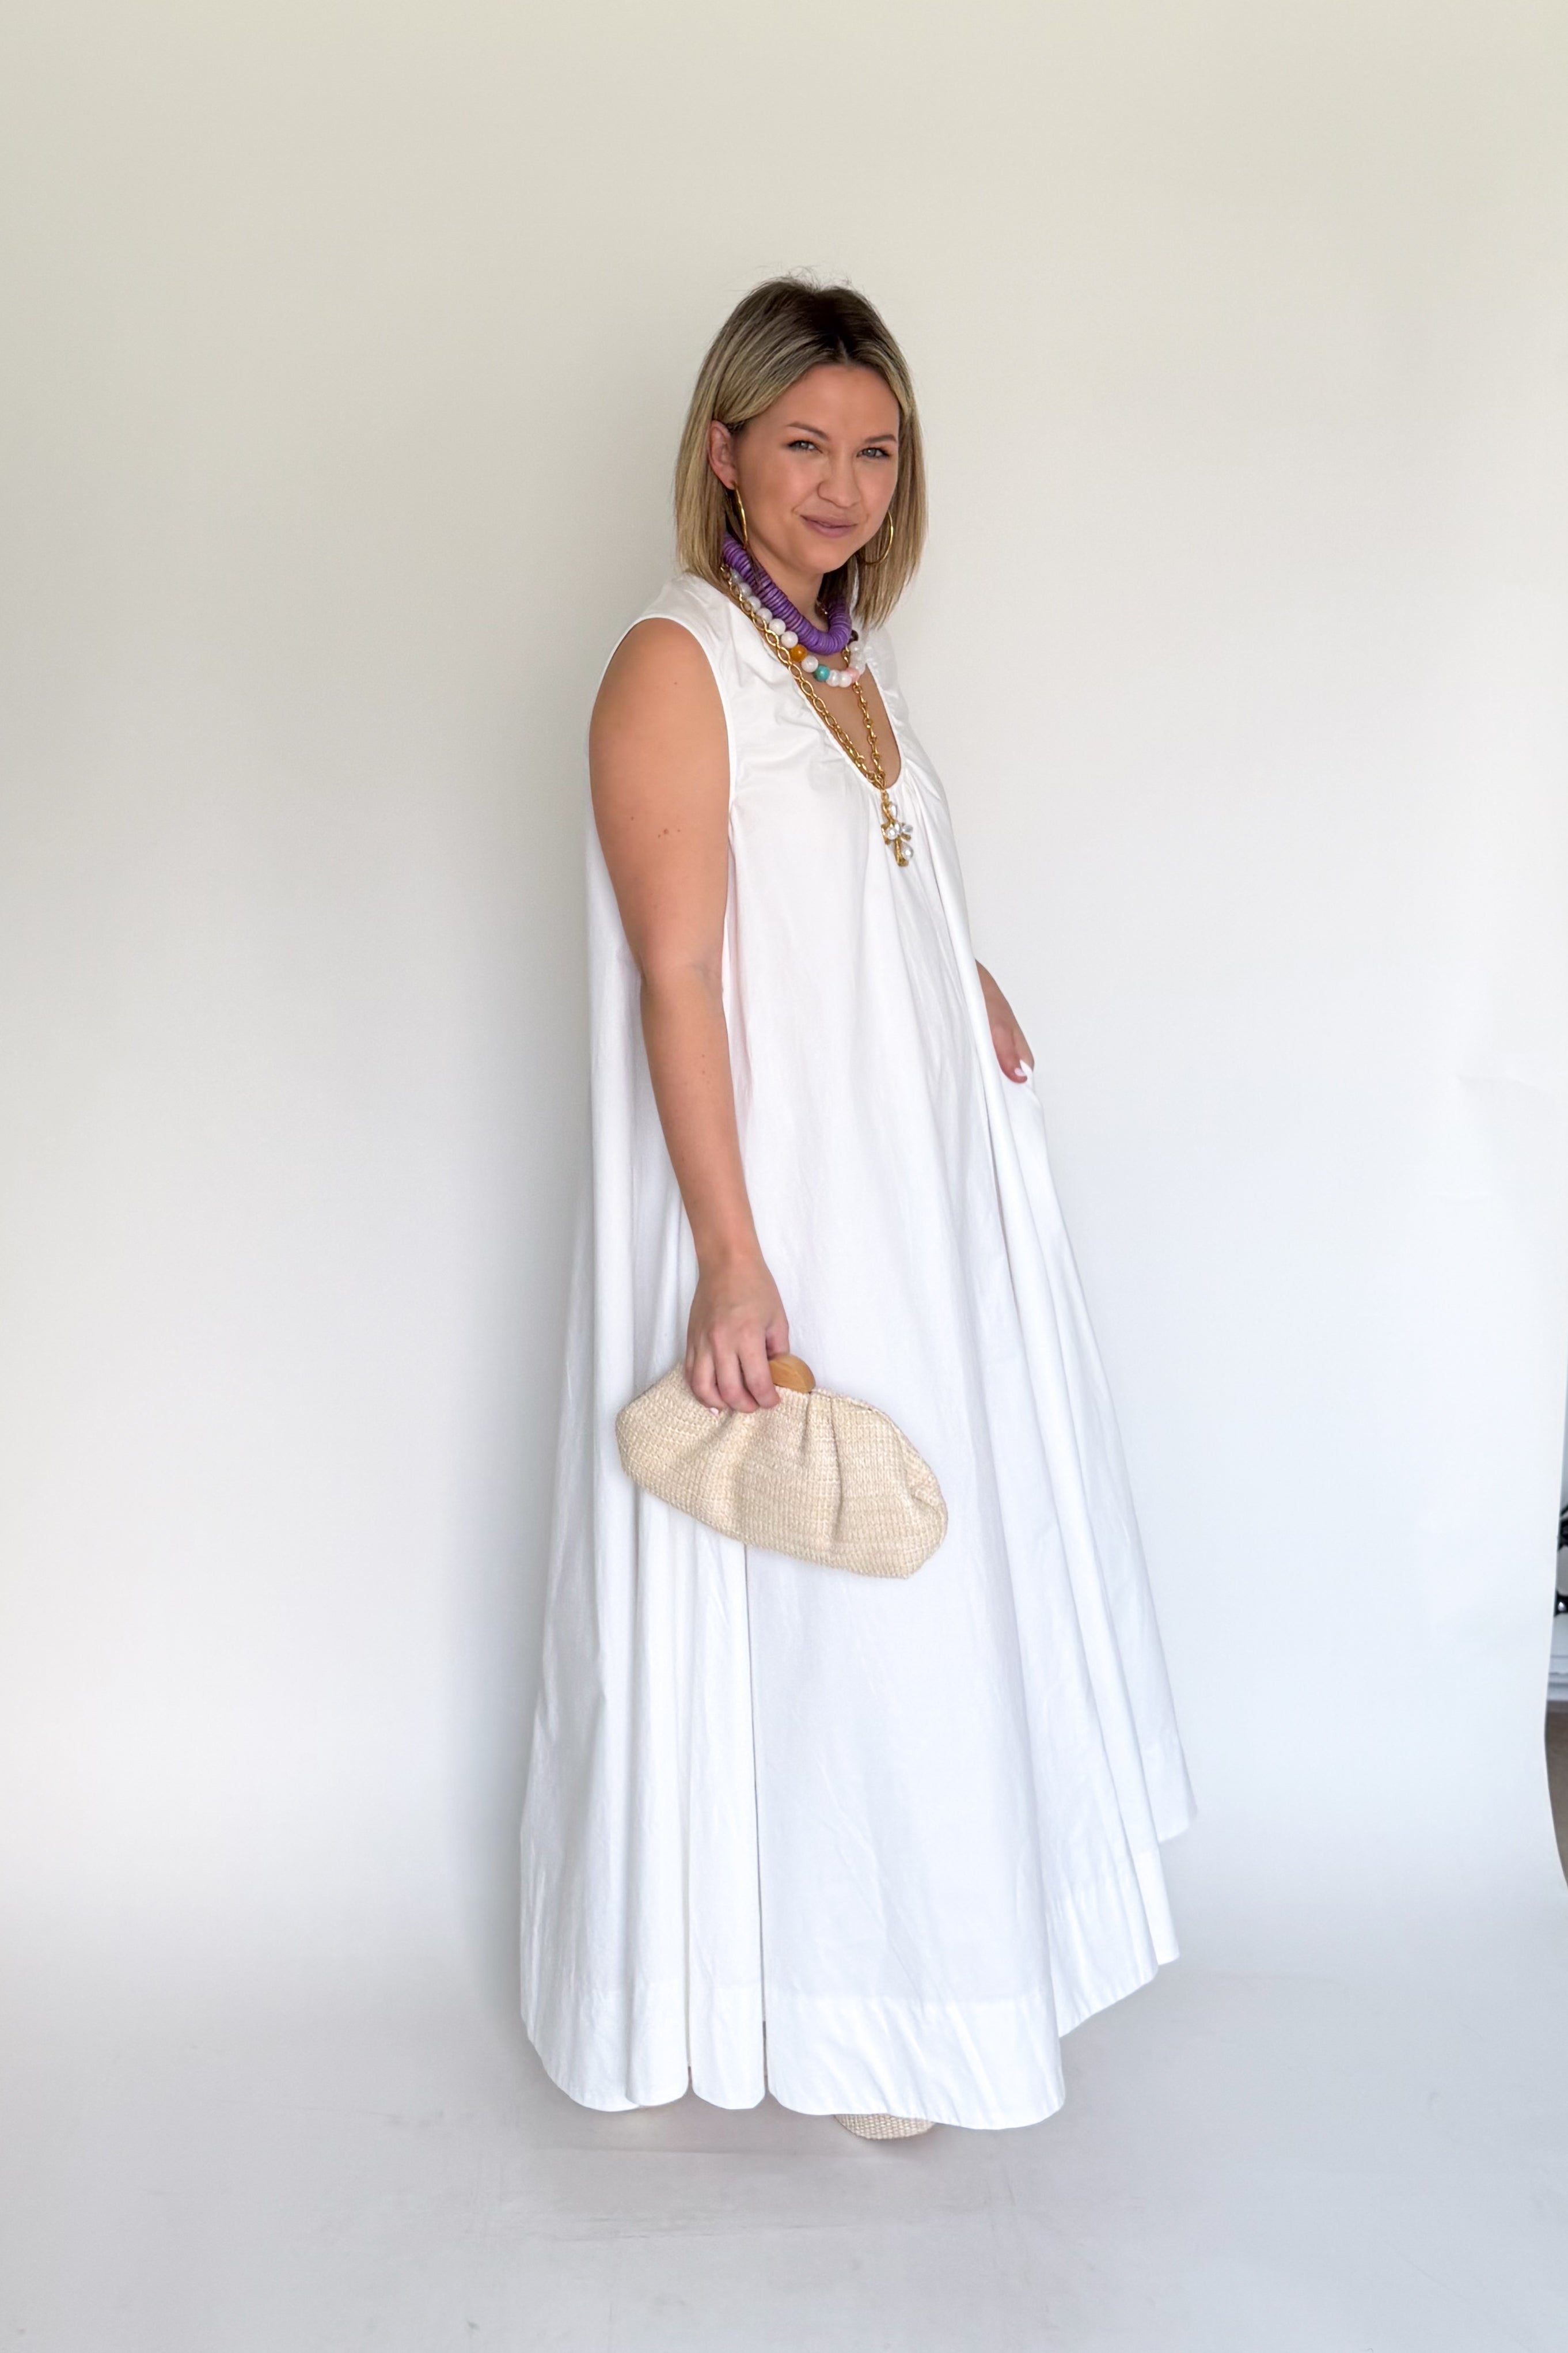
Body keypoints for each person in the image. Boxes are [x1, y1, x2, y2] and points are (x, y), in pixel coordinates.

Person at [519, 278, 1195, 2139]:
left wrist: (942, 965)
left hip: (906, 1180)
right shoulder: (679, 660)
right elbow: (677, 974)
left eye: (875, 450)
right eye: (803, 444)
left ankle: (937, 1959)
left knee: (926, 1562)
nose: (841, 486)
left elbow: (845, 875)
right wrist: (733, 1260)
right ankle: (855, 2004)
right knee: (830, 1586)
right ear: (721, 449)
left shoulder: (832, 654)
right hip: (792, 1196)